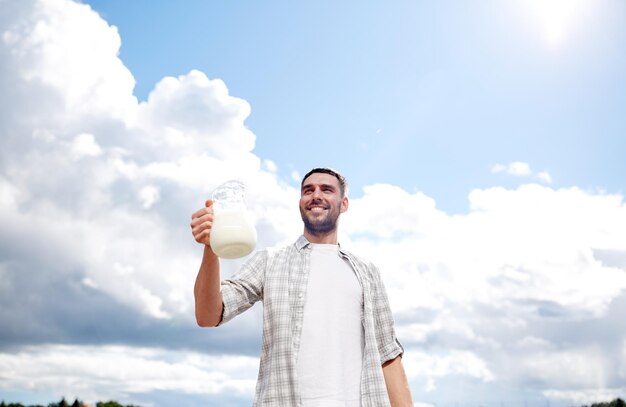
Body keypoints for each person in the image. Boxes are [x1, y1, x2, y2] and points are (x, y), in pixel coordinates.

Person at [191, 167, 413, 407]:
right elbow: (208, 315)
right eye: (308, 190)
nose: (316, 195)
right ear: (300, 203)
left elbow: (388, 355)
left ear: (344, 203)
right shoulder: (270, 261)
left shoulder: (367, 271)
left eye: (326, 189)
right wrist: (211, 247)